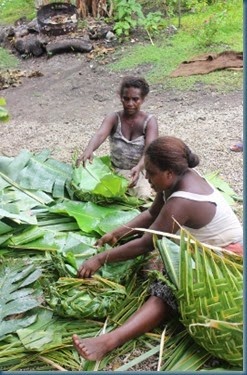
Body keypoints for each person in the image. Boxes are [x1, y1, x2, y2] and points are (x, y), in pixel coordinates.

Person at [72, 136, 243, 361]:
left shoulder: (182, 201)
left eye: (151, 172)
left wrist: (100, 259)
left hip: (228, 260)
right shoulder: (180, 178)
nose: (146, 177)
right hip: (210, 248)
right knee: (164, 261)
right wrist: (118, 232)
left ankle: (109, 341)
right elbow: (153, 214)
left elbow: (146, 243)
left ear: (168, 173)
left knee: (166, 288)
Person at [76, 76, 158, 199]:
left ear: (143, 99)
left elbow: (149, 151)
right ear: (121, 98)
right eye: (126, 99)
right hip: (117, 170)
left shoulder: (149, 121)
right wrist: (89, 150)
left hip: (140, 170)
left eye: (135, 99)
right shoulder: (114, 118)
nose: (130, 104)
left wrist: (139, 167)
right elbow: (100, 134)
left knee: (144, 196)